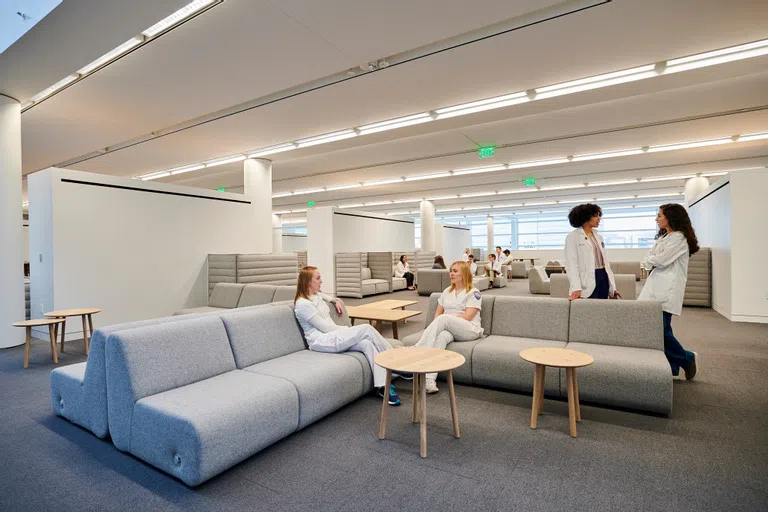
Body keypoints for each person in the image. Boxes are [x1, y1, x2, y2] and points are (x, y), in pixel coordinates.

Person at [294, 266, 401, 405]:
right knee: (366, 329)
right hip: (321, 341)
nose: (322, 281)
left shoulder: (315, 295)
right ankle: (397, 362)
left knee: (366, 343)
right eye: (318, 278)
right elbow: (325, 328)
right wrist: (347, 329)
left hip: (332, 335)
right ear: (308, 282)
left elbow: (325, 296)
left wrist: (335, 300)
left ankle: (382, 386)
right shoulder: (303, 304)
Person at [638, 204, 700, 380]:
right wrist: (651, 260)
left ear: (670, 217)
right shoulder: (665, 237)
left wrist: (651, 260)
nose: (656, 219)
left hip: (667, 290)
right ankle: (672, 367)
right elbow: (649, 258)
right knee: (663, 329)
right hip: (656, 287)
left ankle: (686, 358)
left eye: (659, 216)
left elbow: (661, 260)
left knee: (659, 331)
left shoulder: (679, 238)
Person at [415, 261, 483, 393]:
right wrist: (443, 322)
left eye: (455, 271)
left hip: (469, 329)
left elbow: (468, 316)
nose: (451, 273)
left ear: (464, 274)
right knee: (441, 337)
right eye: (451, 270)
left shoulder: (474, 292)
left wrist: (448, 319)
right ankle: (429, 379)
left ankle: (419, 347)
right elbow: (437, 314)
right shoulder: (447, 291)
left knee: (444, 318)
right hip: (450, 328)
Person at [564, 203, 621, 300]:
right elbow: (571, 265)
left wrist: (613, 287)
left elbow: (606, 263)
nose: (599, 218)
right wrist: (576, 288)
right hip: (587, 280)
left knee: (603, 309)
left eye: (599, 215)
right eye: (595, 216)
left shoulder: (598, 237)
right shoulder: (573, 237)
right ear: (585, 217)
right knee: (589, 311)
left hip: (602, 276)